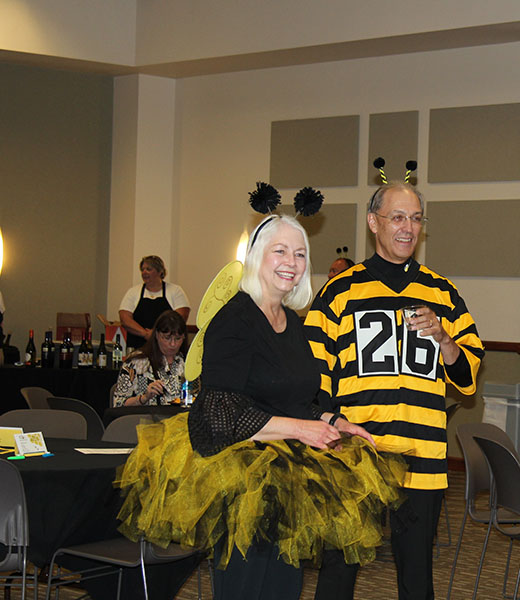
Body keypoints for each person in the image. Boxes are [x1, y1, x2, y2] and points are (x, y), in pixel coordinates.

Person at [116, 214, 406, 600]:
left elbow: (293, 399)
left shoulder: (291, 322)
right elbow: (220, 413)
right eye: (280, 251)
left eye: (300, 254)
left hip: (287, 474)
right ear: (256, 257)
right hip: (240, 477)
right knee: (247, 587)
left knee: (284, 586)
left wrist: (333, 420)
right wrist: (302, 429)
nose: (292, 262)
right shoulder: (233, 320)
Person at [306, 182, 485, 600]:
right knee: (337, 573)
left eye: (416, 219)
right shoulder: (339, 291)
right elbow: (313, 375)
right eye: (398, 217)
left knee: (417, 579)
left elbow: (469, 376)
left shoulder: (442, 292)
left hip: (422, 457)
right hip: (355, 457)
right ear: (373, 222)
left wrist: (445, 339)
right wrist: (332, 429)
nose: (408, 228)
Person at [112, 309, 187, 406]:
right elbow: (118, 404)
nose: (173, 344)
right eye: (167, 338)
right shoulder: (135, 362)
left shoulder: (187, 362)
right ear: (157, 335)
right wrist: (144, 398)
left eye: (178, 338)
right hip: (146, 415)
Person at [118, 255, 191, 350]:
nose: (144, 272)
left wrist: (158, 334)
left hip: (168, 348)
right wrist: (145, 334)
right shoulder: (133, 292)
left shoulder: (175, 291)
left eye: (149, 269)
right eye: (142, 270)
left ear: (160, 271)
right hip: (138, 347)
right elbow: (125, 319)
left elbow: (180, 318)